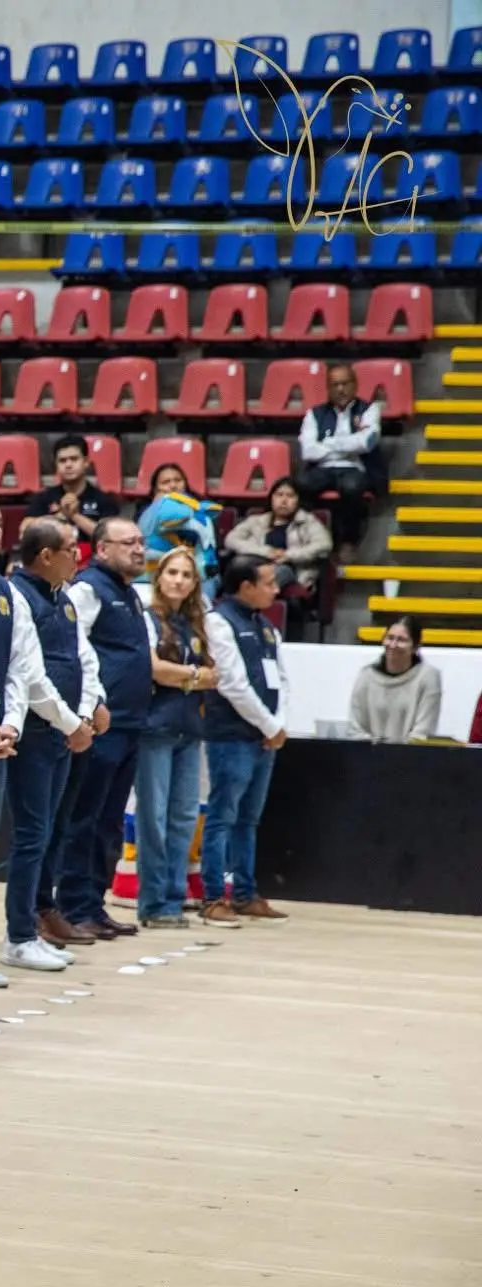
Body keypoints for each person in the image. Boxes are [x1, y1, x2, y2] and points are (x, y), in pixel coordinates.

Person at [0, 517, 98, 973]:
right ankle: (20, 933)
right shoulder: (20, 596)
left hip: (63, 728)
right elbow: (29, 674)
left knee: (50, 828)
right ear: (45, 556)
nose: (79, 557)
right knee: (32, 833)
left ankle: (40, 912)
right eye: (72, 549)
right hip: (36, 731)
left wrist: (92, 704)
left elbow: (79, 657)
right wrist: (69, 720)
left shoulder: (64, 599)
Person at [51, 516, 150, 942]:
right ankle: (73, 906)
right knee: (84, 819)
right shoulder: (89, 589)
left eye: (141, 542)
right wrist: (91, 703)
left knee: (108, 821)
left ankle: (94, 903)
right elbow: (74, 646)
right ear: (102, 549)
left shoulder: (127, 592)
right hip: (101, 724)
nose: (139, 549)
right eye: (128, 542)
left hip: (130, 725)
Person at [202, 556, 289, 927]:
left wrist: (278, 724)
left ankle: (245, 893)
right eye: (268, 582)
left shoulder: (267, 626)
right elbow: (232, 683)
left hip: (263, 737)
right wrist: (270, 725)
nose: (276, 589)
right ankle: (211, 897)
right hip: (231, 736)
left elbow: (281, 680)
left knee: (248, 820)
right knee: (222, 817)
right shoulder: (218, 622)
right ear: (246, 586)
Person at [134, 545, 214, 930]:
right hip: (156, 726)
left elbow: (216, 674)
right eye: (172, 573)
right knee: (154, 816)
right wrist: (194, 676)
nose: (179, 580)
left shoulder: (197, 624)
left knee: (184, 815)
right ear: (159, 578)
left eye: (186, 574)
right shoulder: (148, 618)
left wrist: (185, 674)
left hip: (190, 728)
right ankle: (153, 901)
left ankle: (173, 895)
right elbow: (154, 670)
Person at [224, 476, 332, 641]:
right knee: (237, 564)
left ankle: (248, 603)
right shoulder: (256, 521)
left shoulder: (307, 521)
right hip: (257, 567)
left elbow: (324, 544)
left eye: (290, 496)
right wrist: (265, 552)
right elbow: (231, 539)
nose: (284, 500)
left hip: (292, 571)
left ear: (298, 500)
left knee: (279, 571)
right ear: (271, 498)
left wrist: (289, 555)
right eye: (279, 495)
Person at [297, 362, 381, 559]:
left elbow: (366, 443)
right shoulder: (314, 414)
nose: (340, 389)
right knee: (301, 484)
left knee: (351, 487)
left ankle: (348, 541)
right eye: (335, 385)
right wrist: (347, 446)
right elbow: (307, 451)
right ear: (328, 388)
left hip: (354, 467)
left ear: (355, 385)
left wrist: (327, 444)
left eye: (345, 384)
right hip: (323, 468)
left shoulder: (369, 410)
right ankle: (313, 537)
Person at [348, 615, 440, 743]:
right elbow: (356, 731)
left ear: (415, 646)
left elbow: (422, 733)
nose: (393, 644)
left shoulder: (428, 677)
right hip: (370, 758)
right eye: (390, 638)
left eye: (401, 640)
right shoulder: (366, 676)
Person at [137, 462, 221, 588]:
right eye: (165, 482)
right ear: (155, 489)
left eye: (178, 480)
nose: (173, 485)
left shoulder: (199, 509)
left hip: (196, 573)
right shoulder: (146, 511)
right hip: (155, 571)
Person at [24, 432, 117, 545]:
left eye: (74, 459)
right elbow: (24, 530)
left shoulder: (104, 500)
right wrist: (59, 517)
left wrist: (74, 516)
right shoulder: (43, 498)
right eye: (62, 460)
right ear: (56, 465)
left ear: (86, 462)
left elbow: (111, 538)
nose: (68, 465)